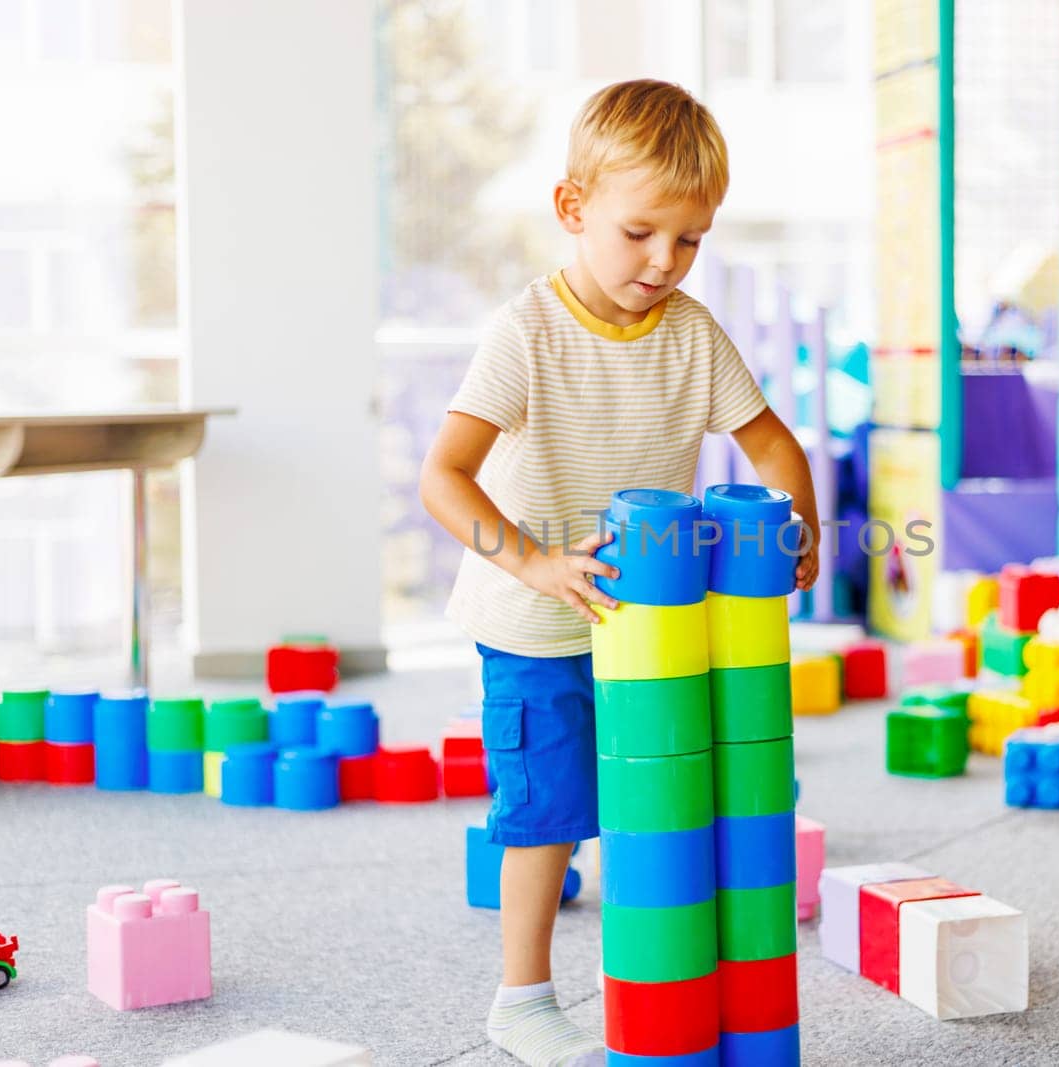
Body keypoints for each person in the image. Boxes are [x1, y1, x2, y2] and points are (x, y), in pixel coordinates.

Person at [421, 79, 819, 1066]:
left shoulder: (690, 331)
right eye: (641, 231)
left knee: (663, 799)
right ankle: (520, 996)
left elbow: (772, 445)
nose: (663, 261)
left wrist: (799, 524)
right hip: (538, 621)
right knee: (547, 812)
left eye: (689, 239)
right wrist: (538, 561)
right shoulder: (528, 332)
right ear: (572, 209)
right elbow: (444, 475)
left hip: (654, 628)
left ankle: (652, 966)